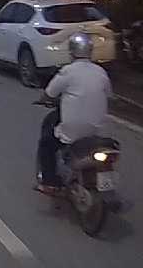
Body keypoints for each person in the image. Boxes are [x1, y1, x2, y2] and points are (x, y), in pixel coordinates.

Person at [36, 32, 112, 194]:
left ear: (71, 52)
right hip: (96, 132)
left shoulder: (68, 71)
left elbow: (49, 94)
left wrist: (43, 99)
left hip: (73, 132)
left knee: (46, 144)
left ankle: (49, 183)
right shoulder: (101, 72)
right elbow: (108, 94)